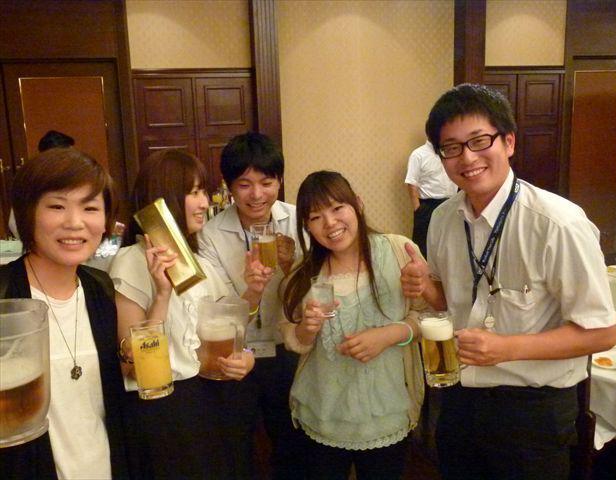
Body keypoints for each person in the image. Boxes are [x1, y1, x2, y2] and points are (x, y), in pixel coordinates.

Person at [401, 83, 616, 480]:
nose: (467, 157)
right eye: (451, 147)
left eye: (479, 141)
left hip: (532, 411)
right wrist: (426, 287)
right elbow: (452, 301)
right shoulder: (443, 219)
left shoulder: (558, 224)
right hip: (460, 399)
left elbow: (602, 333)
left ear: (509, 142)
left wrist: (506, 348)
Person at [109, 149, 256, 479]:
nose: (205, 202)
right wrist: (162, 294)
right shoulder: (131, 261)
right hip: (164, 408)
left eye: (204, 191)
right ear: (165, 198)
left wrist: (245, 354)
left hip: (209, 398)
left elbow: (230, 326)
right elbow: (134, 367)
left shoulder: (197, 261)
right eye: (194, 192)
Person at [280, 170, 426, 480]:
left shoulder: (398, 251)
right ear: (306, 226)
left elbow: (429, 317)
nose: (330, 223)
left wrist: (389, 335)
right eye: (316, 217)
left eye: (337, 208)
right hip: (324, 414)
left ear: (357, 204)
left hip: (386, 413)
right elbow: (292, 337)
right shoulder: (303, 273)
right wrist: (307, 328)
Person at [0, 147, 131, 479]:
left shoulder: (100, 289)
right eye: (57, 206)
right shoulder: (4, 297)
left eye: (90, 208)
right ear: (28, 213)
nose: (74, 223)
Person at [198, 132, 308, 479]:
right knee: (236, 445)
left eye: (266, 182)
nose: (257, 195)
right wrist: (253, 290)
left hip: (288, 347)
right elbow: (216, 310)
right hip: (236, 353)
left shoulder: (299, 221)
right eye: (244, 184)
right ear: (229, 186)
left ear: (280, 181)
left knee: (293, 443)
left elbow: (317, 286)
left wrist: (290, 271)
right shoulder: (211, 234)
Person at [8, 130, 75, 239]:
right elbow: (15, 221)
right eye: (70, 155)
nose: (74, 160)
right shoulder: (31, 180)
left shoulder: (74, 177)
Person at [404, 124, 457, 257]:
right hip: (428, 207)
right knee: (424, 248)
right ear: (429, 133)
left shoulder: (452, 152)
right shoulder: (418, 155)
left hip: (453, 203)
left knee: (451, 245)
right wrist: (418, 210)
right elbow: (411, 183)